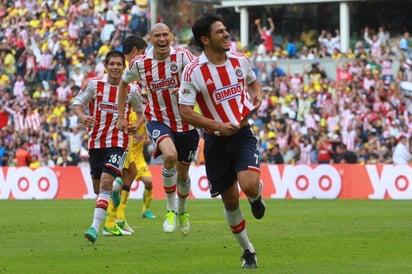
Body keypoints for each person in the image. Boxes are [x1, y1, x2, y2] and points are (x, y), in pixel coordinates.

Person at [178, 13, 265, 269]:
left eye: (226, 30)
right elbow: (185, 111)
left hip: (242, 135)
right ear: (205, 39)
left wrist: (257, 96)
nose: (226, 34)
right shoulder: (194, 72)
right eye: (220, 32)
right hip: (216, 143)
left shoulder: (239, 60)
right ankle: (248, 250)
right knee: (230, 201)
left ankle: (256, 197)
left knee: (249, 186)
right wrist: (216, 125)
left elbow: (253, 82)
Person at [116, 23, 200, 235]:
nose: (162, 39)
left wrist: (183, 89)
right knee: (169, 155)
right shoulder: (140, 63)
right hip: (157, 119)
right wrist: (119, 115)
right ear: (150, 39)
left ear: (171, 36)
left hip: (187, 122)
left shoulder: (183, 56)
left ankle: (182, 210)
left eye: (165, 34)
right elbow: (123, 84)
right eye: (157, 36)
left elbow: (200, 80)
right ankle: (170, 210)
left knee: (183, 175)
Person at [72, 50, 144, 243]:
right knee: (98, 188)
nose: (115, 67)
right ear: (105, 66)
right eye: (111, 64)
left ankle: (95, 228)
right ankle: (114, 188)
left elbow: (141, 111)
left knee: (103, 182)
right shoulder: (94, 84)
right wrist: (82, 116)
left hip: (119, 143)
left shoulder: (132, 89)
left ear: (123, 67)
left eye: (119, 64)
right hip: (96, 143)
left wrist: (136, 126)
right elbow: (77, 103)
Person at [103, 35, 156, 237]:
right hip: (116, 130)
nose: (143, 57)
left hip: (124, 130)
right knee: (115, 178)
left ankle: (119, 217)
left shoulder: (126, 71)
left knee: (130, 173)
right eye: (142, 53)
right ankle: (112, 219)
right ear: (135, 51)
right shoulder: (122, 71)